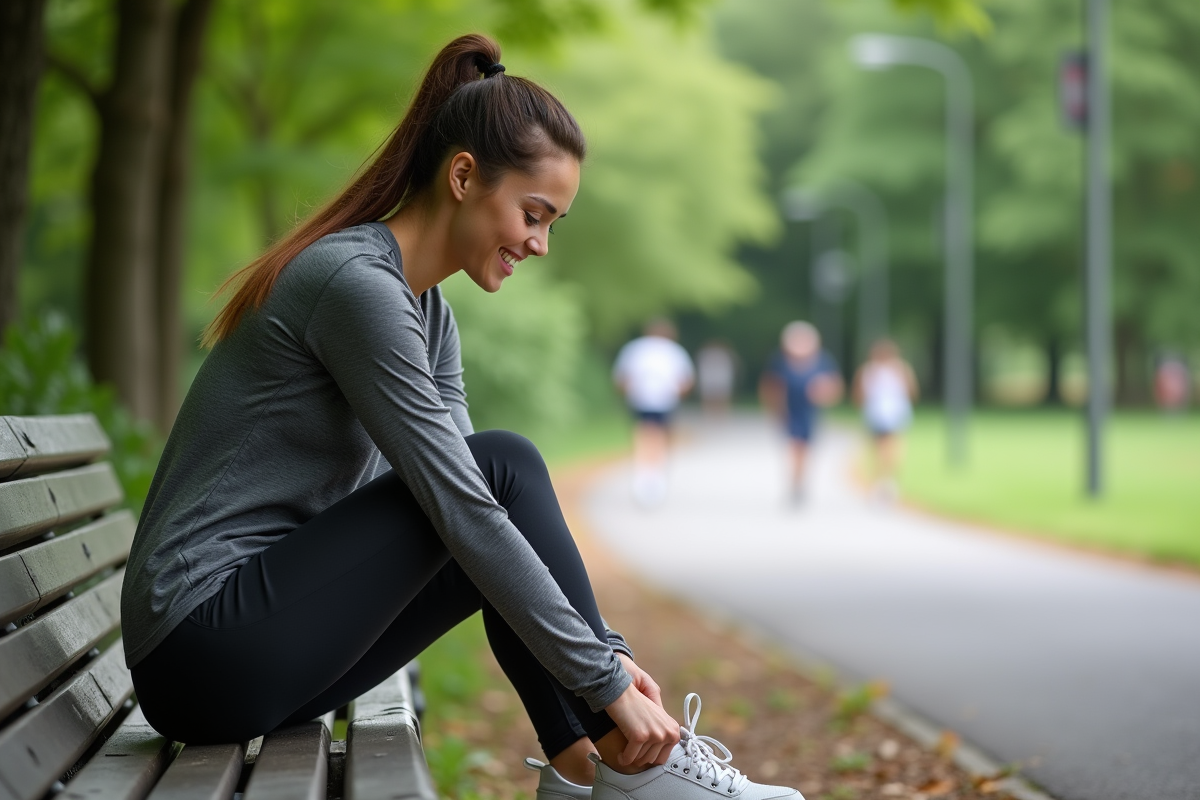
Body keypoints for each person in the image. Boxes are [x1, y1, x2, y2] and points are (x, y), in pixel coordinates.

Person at [120, 35, 799, 800]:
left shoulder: (425, 311)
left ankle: (588, 773)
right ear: (465, 175)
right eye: (533, 213)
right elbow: (470, 497)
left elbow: (479, 518)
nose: (539, 243)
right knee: (505, 468)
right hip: (201, 643)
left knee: (494, 511)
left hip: (256, 648)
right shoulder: (354, 285)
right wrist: (604, 675)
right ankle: (620, 762)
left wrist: (603, 653)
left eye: (554, 223)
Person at [612, 319, 695, 507]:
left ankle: (646, 476)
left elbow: (621, 378)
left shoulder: (635, 349)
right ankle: (653, 478)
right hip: (663, 401)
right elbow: (686, 381)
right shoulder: (673, 350)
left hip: (641, 400)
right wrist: (676, 394)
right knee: (658, 437)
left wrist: (629, 393)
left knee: (644, 435)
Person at [759, 321, 843, 503]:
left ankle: (800, 481)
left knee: (806, 448)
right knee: (795, 447)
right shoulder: (780, 361)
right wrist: (774, 410)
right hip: (789, 410)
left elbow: (835, 387)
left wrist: (823, 393)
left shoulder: (822, 361)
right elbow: (770, 386)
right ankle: (796, 484)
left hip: (811, 412)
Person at [852, 339, 918, 501]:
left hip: (892, 413)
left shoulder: (900, 369)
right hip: (876, 413)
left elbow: (911, 390)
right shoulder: (869, 370)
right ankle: (883, 481)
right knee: (881, 448)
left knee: (889, 447)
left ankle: (886, 481)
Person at [696, 340, 738, 417]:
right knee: (710, 395)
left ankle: (720, 412)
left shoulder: (723, 355)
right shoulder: (706, 355)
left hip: (719, 377)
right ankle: (710, 412)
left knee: (720, 395)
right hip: (712, 377)